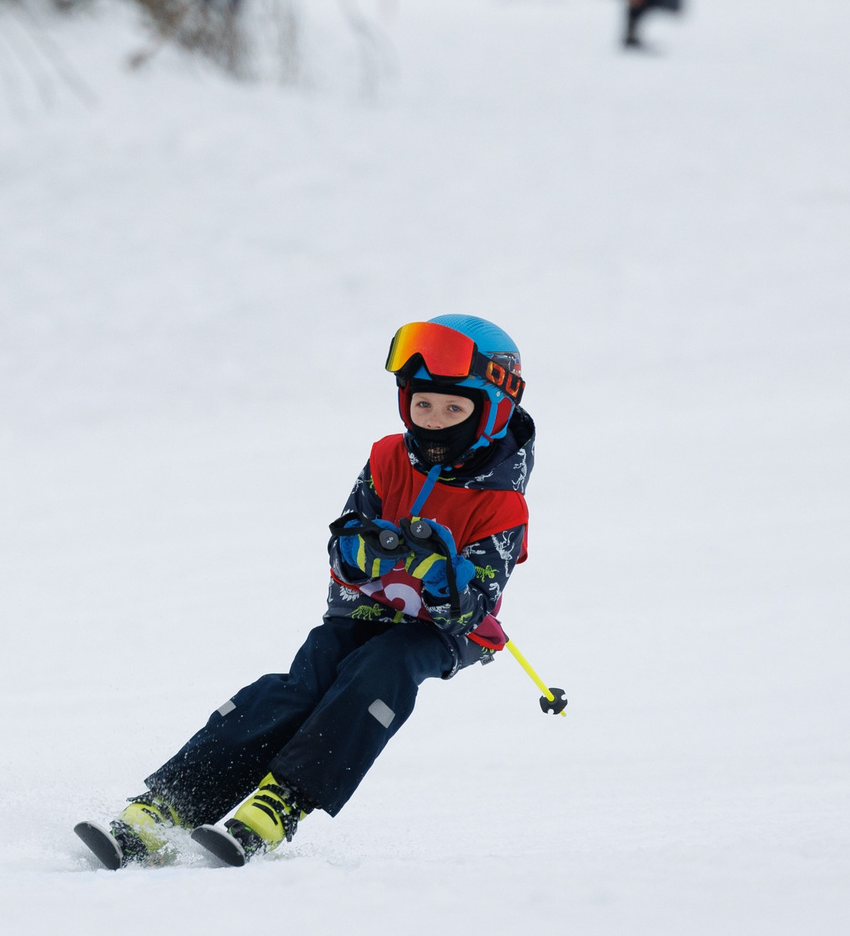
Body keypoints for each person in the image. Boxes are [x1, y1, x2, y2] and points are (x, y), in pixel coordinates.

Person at [76, 316, 535, 869]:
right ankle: (170, 802)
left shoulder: (502, 504)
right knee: (299, 686)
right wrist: (368, 553)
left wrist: (435, 571)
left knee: (380, 671)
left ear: (492, 412)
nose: (434, 423)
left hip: (436, 632)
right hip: (362, 610)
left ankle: (282, 802)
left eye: (453, 410)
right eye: (423, 406)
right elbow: (345, 540)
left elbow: (476, 602)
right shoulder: (388, 457)